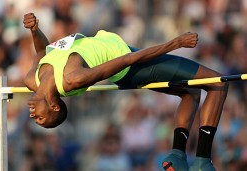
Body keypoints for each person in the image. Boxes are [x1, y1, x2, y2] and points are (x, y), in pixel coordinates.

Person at [23, 13, 228, 171]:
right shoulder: (73, 79)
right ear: (54, 106)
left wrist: (34, 30)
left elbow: (42, 51)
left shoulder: (32, 79)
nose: (33, 115)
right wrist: (176, 43)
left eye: (36, 118)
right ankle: (202, 160)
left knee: (190, 93)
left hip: (123, 51)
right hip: (133, 67)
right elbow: (129, 60)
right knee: (218, 83)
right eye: (40, 118)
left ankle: (177, 155)